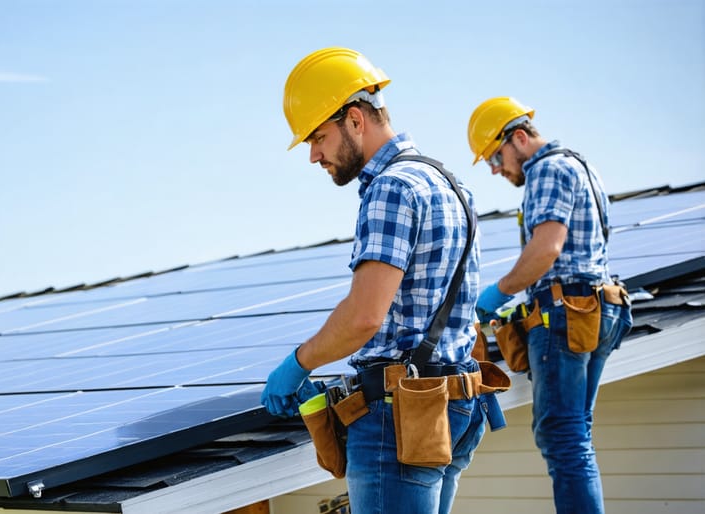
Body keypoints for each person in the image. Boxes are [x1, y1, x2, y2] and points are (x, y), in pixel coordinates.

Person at [261, 47, 491, 514]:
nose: (313, 155)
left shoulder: (392, 188)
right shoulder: (449, 183)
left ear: (355, 119)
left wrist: (298, 363)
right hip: (456, 400)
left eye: (318, 137)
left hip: (400, 417)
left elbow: (365, 316)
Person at [467, 97, 633, 513]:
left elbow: (546, 250)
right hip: (598, 306)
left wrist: (497, 294)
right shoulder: (581, 166)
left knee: (561, 433)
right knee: (575, 431)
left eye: (496, 157)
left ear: (519, 138)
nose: (496, 169)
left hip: (566, 312)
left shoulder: (546, 168)